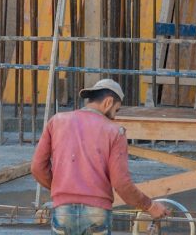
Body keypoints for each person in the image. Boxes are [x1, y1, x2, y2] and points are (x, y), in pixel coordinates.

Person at [31, 79, 169, 234]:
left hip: (63, 211)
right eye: (116, 110)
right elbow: (121, 183)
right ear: (108, 102)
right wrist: (150, 206)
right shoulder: (115, 131)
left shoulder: (57, 121)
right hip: (96, 213)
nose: (115, 117)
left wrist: (63, 189)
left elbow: (37, 168)